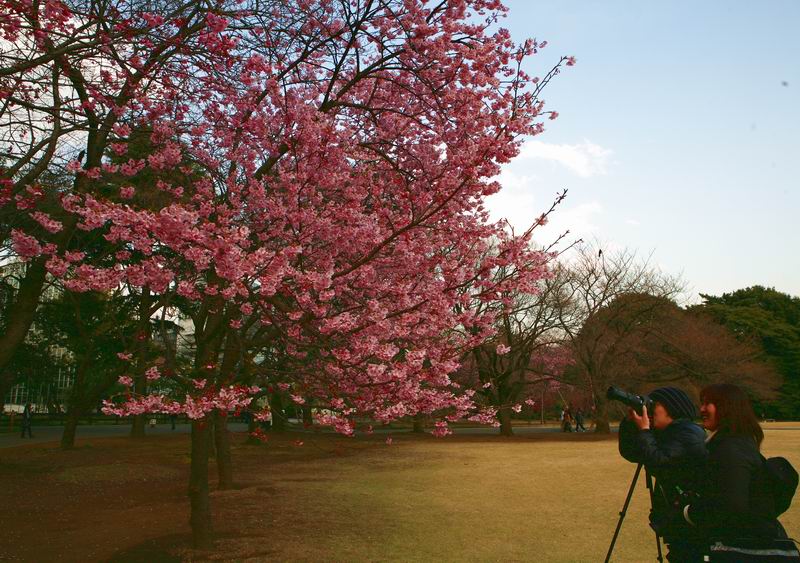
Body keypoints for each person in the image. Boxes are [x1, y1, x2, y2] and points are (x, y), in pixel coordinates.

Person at [682, 384, 794, 558]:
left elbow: (733, 506)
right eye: (701, 403)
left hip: (739, 548)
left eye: (708, 403)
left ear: (727, 407)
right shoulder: (738, 442)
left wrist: (689, 513)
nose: (702, 409)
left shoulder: (730, 448)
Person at [618, 387, 707, 562]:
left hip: (690, 516)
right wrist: (630, 423)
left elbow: (660, 462)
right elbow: (631, 452)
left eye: (655, 405)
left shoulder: (688, 432)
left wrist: (645, 431)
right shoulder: (669, 432)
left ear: (671, 407)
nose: (651, 410)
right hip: (676, 513)